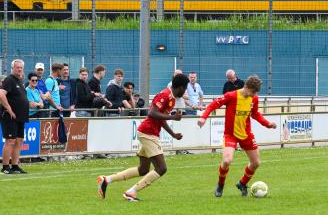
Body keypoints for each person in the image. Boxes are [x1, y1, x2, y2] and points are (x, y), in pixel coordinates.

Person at [97, 73, 189, 201]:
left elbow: (161, 119)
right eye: (185, 88)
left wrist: (173, 134)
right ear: (180, 87)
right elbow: (152, 113)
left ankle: (106, 179)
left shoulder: (171, 98)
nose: (185, 91)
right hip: (148, 133)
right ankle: (131, 192)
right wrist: (173, 117)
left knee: (143, 169)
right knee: (161, 168)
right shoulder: (165, 95)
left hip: (149, 132)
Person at [197, 75, 277, 197]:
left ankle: (242, 183)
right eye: (252, 92)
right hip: (231, 134)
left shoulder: (254, 99)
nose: (254, 95)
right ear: (245, 87)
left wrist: (268, 124)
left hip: (246, 134)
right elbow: (213, 104)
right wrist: (203, 117)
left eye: (255, 92)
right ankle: (220, 185)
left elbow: (255, 114)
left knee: (256, 163)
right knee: (227, 160)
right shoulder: (231, 96)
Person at [0, 59, 30, 174]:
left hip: (20, 117)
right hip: (9, 116)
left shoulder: (19, 81)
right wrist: (9, 109)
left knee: (19, 140)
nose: (20, 69)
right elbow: (1, 95)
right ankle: (5, 167)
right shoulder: (9, 80)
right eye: (17, 67)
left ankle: (15, 165)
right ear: (12, 68)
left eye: (21, 67)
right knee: (10, 141)